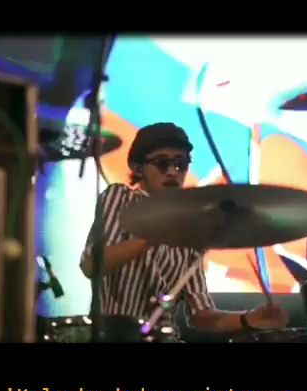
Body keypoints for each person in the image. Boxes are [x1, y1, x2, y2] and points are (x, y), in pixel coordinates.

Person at [80, 122, 289, 342]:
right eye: (162, 163)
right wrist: (154, 235)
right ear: (138, 168)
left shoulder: (190, 233)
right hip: (114, 336)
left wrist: (248, 319)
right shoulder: (121, 197)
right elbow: (91, 265)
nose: (173, 172)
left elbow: (202, 315)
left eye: (180, 164)